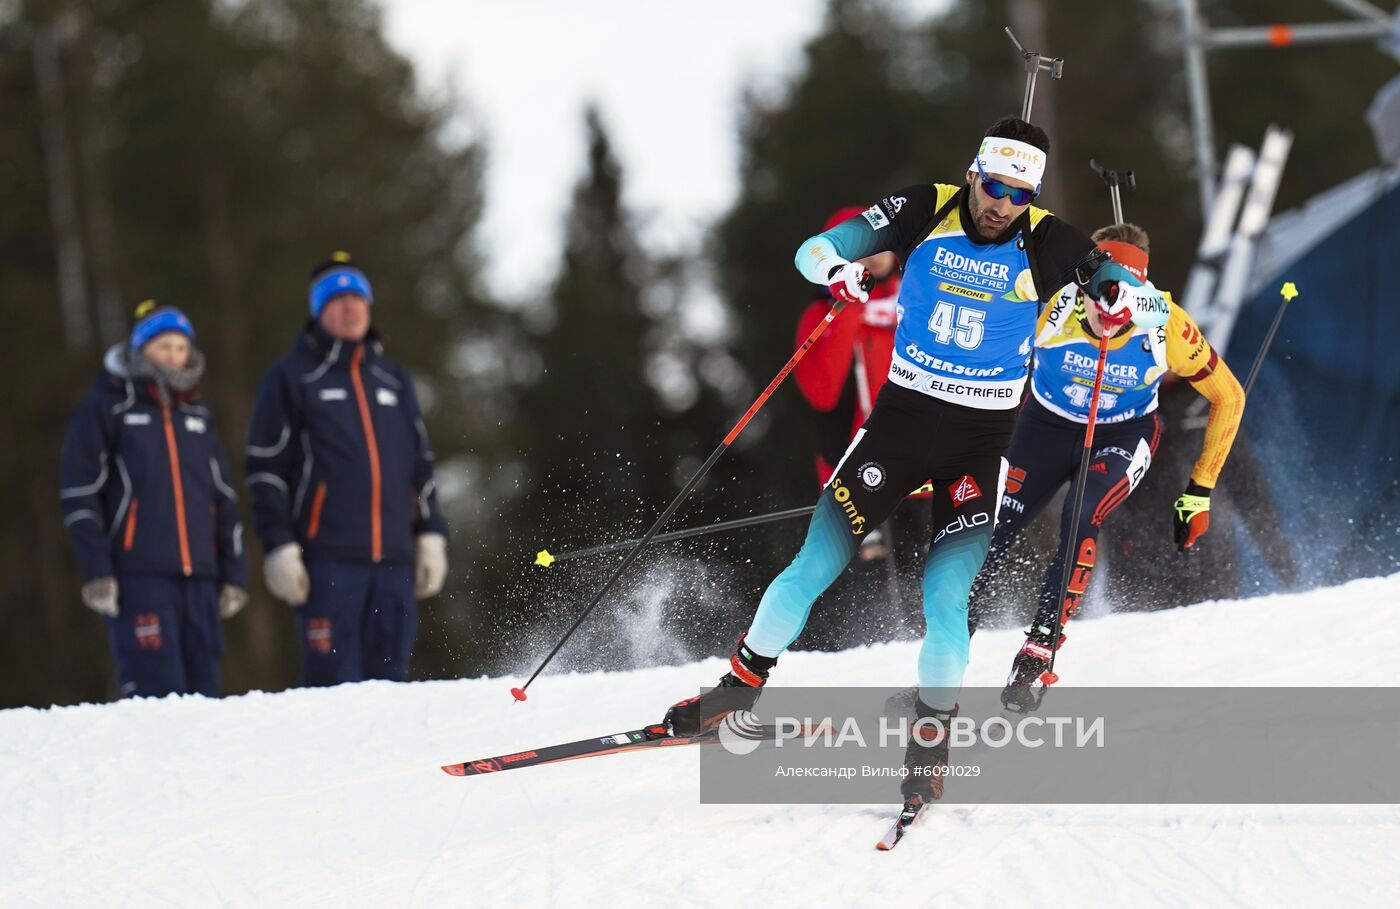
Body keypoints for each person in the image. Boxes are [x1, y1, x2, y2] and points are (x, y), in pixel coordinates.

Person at [661, 118, 1168, 805]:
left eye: (1019, 194)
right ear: (972, 173)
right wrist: (839, 270)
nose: (1001, 205)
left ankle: (930, 745)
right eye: (992, 187)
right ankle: (735, 691)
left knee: (946, 603)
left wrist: (1117, 303)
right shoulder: (923, 209)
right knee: (813, 564)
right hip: (897, 427)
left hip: (978, 444)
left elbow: (1128, 291)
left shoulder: (1049, 240)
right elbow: (815, 250)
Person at [968, 223, 1246, 712]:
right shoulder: (1051, 303)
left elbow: (1229, 396)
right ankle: (945, 663)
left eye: (1126, 314)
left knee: (1082, 512)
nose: (1111, 322)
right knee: (991, 527)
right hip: (1045, 426)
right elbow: (974, 366)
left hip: (1121, 434)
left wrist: (1199, 490)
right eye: (1101, 308)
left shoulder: (1166, 324)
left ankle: (1038, 654)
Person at [245, 252, 448, 686]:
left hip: (395, 561)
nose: (350, 307)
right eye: (337, 300)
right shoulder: (292, 377)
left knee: (392, 682)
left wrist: (432, 534)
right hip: (328, 562)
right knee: (332, 685)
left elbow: (421, 463)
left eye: (358, 298)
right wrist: (279, 545)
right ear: (319, 312)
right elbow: (265, 470)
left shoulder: (394, 380)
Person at [59, 301, 247, 698]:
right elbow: (80, 494)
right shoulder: (106, 408)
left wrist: (233, 574)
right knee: (155, 697)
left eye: (181, 347)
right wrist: (98, 571)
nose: (174, 356)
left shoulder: (198, 416)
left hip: (201, 578)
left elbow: (224, 499)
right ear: (141, 349)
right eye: (164, 346)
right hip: (139, 577)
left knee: (206, 698)